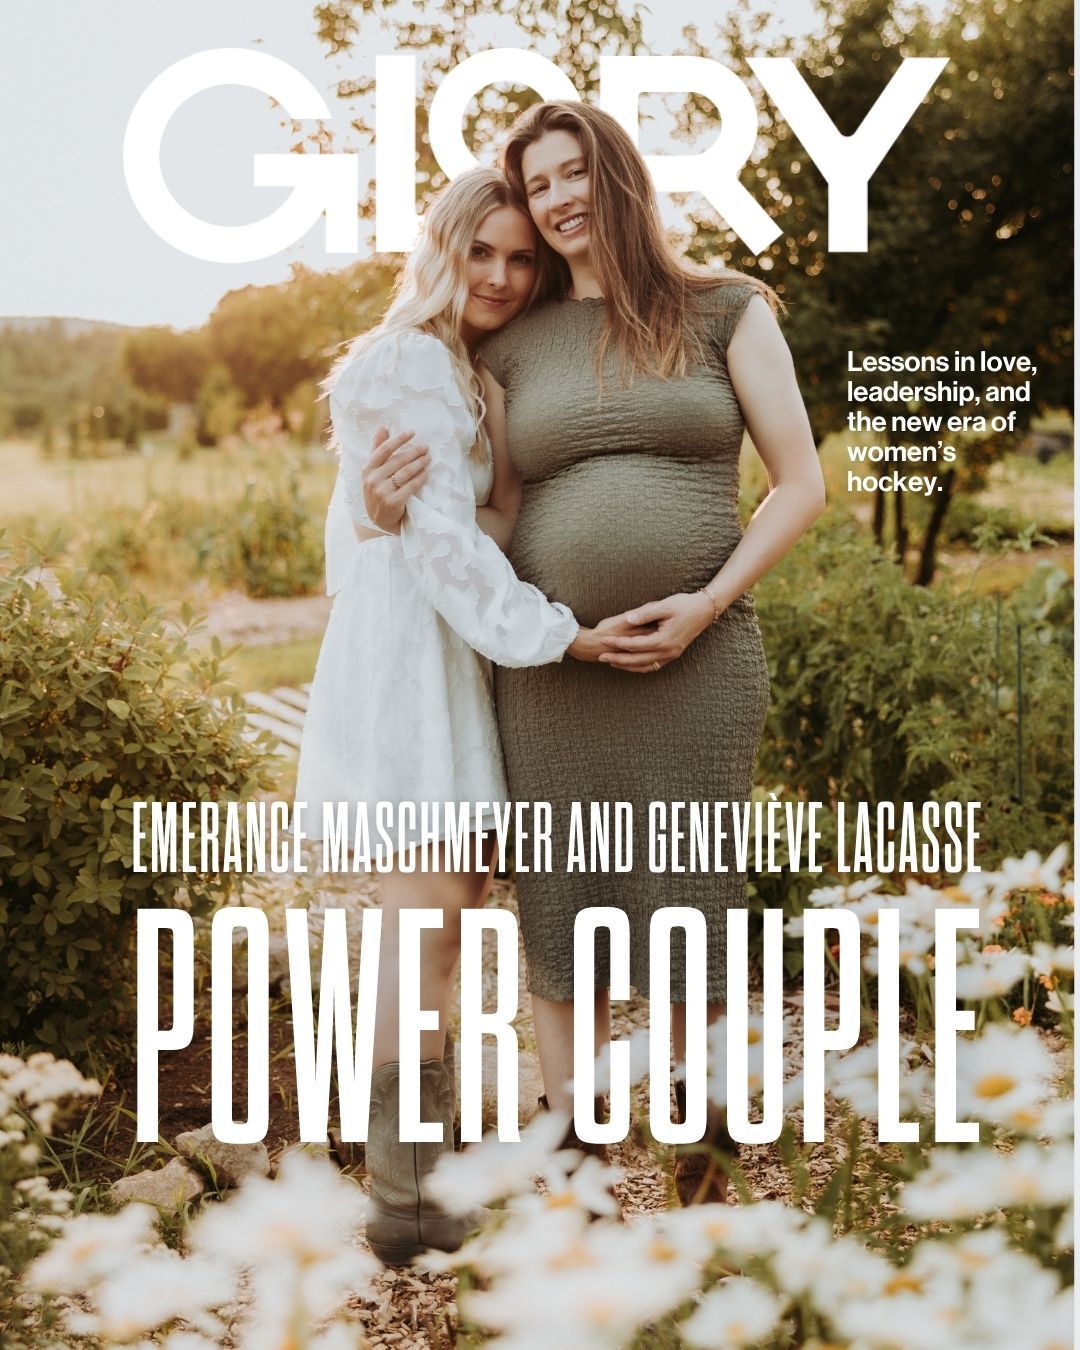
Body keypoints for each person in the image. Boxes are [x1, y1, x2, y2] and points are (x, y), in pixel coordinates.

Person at [363, 102, 826, 1206]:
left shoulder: (726, 310)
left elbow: (800, 485)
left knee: (689, 894)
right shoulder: (509, 342)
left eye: (576, 173)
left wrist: (706, 604)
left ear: (619, 175)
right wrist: (388, 513)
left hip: (698, 667)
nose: (561, 199)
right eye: (539, 185)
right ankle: (573, 1159)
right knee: (561, 903)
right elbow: (482, 509)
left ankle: (702, 1165)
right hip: (552, 674)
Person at [294, 166, 625, 1265]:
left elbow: (429, 520)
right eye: (479, 250)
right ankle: (402, 1198)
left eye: (520, 257)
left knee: (444, 908)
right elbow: (429, 547)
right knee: (426, 920)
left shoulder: (460, 368)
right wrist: (562, 635)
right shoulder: (402, 361)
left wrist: (417, 509)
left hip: (447, 657)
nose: (499, 274)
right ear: (439, 249)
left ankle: (417, 1187)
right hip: (415, 658)